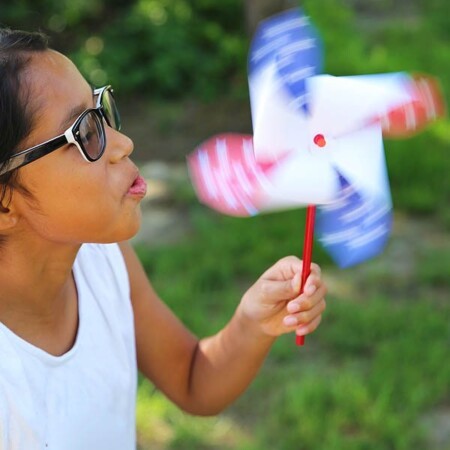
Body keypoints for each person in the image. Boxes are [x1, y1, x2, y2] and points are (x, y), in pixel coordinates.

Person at [0, 28, 327, 449]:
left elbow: (193, 380)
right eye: (84, 134)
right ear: (6, 203)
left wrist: (252, 324)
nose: (123, 144)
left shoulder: (104, 260)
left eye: (101, 112)